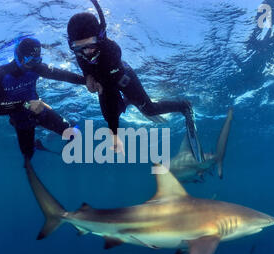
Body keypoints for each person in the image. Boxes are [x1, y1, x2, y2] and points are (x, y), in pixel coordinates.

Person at [66, 1, 204, 161]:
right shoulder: (81, 52)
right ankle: (129, 101)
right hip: (106, 80)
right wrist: (89, 76)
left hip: (124, 79)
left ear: (101, 37)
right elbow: (88, 68)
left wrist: (114, 135)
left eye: (91, 45)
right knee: (113, 111)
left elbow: (108, 98)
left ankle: (184, 106)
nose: (86, 52)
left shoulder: (112, 52)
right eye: (78, 47)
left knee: (150, 110)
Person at [0, 37, 85, 161]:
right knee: (28, 154)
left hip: (40, 111)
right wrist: (26, 105)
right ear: (18, 57)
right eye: (29, 62)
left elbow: (62, 75)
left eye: (37, 61)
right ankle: (34, 146)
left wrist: (86, 81)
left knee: (73, 134)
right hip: (21, 120)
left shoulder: (36, 67)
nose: (32, 67)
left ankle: (50, 135)